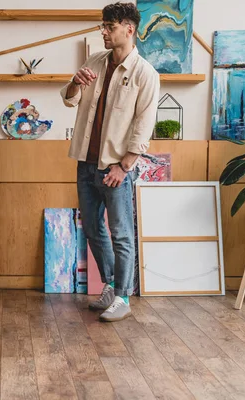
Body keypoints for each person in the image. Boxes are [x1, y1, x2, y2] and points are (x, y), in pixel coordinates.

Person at [60, 2, 160, 322]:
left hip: (115, 167)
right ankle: (110, 284)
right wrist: (75, 82)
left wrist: (124, 166)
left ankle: (123, 297)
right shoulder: (94, 61)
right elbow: (69, 98)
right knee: (92, 228)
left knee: (120, 233)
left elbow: (143, 127)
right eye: (102, 25)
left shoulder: (146, 74)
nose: (103, 31)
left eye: (110, 26)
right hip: (86, 162)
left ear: (128, 29)